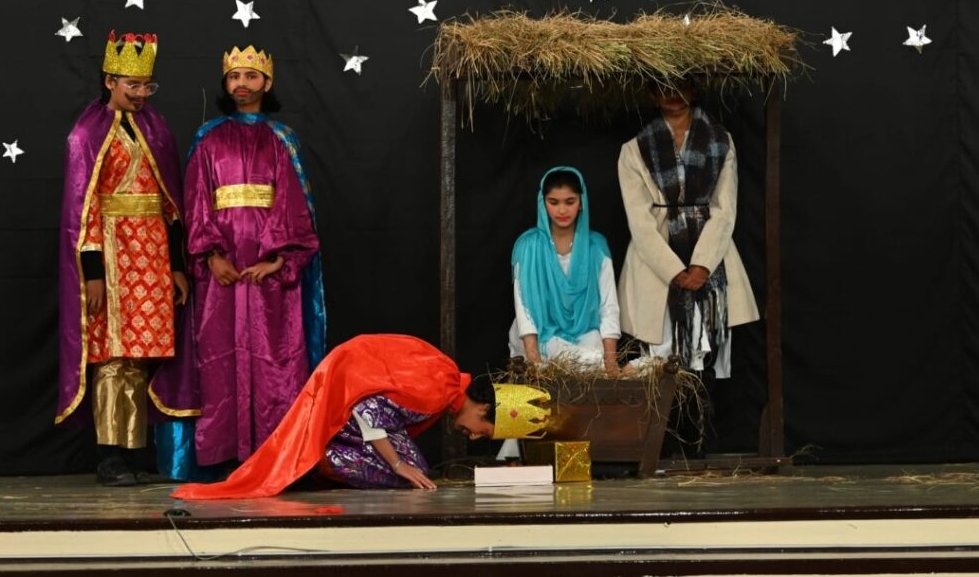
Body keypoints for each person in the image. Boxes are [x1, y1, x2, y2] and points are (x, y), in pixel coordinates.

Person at [172, 45, 325, 474]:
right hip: (221, 269)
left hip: (268, 268)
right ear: (226, 83)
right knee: (218, 355)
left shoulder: (282, 139)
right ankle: (222, 455)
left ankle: (275, 455)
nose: (242, 83)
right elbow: (196, 198)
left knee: (273, 356)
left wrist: (279, 260)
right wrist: (210, 254)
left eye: (251, 76)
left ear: (267, 83)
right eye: (234, 76)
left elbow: (293, 205)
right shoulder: (208, 138)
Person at [57, 31, 198, 487]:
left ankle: (134, 452)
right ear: (109, 81)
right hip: (112, 251)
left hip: (152, 253)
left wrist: (177, 265)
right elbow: (83, 210)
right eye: (131, 85)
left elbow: (171, 203)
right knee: (112, 356)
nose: (140, 94)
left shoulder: (156, 129)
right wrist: (92, 273)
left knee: (139, 357)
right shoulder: (86, 134)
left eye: (146, 85)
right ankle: (109, 456)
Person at [171, 334, 550, 499]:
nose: (476, 436)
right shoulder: (440, 389)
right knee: (410, 473)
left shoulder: (446, 380)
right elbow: (368, 408)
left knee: (418, 473)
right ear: (483, 408)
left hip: (349, 385)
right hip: (346, 391)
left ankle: (324, 455)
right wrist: (398, 464)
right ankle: (325, 457)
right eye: (486, 430)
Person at [617, 79, 759, 378]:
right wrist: (673, 270)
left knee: (708, 357)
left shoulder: (720, 142)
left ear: (693, 90)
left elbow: (725, 208)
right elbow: (639, 220)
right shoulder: (634, 150)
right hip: (656, 262)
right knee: (659, 360)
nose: (672, 94)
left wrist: (702, 265)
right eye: (663, 87)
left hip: (711, 254)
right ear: (653, 95)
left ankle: (705, 403)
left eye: (680, 85)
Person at [509, 167, 622, 376]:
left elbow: (608, 306)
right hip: (539, 336)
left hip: (583, 333)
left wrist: (611, 365)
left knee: (594, 360)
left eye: (570, 202)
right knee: (558, 361)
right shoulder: (528, 247)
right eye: (554, 202)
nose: (562, 210)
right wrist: (535, 362)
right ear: (543, 203)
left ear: (581, 202)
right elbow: (524, 309)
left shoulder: (596, 247)